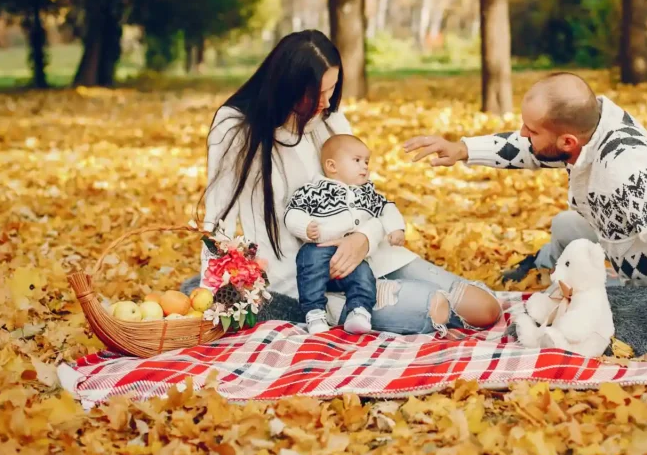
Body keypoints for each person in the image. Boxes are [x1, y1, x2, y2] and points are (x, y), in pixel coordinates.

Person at [403, 72, 647, 364]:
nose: (522, 134)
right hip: (631, 246)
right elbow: (533, 149)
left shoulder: (631, 170)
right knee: (565, 225)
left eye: (531, 129)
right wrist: (462, 149)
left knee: (586, 322)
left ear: (568, 141)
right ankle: (546, 262)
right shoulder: (590, 128)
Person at [183, 29, 501, 336]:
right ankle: (336, 308)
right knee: (434, 307)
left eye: (331, 89)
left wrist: (364, 238)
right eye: (315, 94)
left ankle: (377, 293)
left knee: (484, 308)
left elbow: (364, 193)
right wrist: (212, 295)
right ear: (287, 86)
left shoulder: (329, 118)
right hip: (306, 279)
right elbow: (218, 220)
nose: (325, 102)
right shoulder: (235, 127)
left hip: (365, 252)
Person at [284, 134, 407, 334]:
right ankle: (315, 312)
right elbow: (293, 212)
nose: (364, 167)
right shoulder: (314, 190)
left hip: (353, 256)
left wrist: (396, 228)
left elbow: (387, 208)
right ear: (332, 166)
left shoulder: (367, 193)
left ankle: (359, 311)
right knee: (309, 267)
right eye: (357, 160)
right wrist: (304, 226)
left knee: (364, 276)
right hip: (319, 247)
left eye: (366, 162)